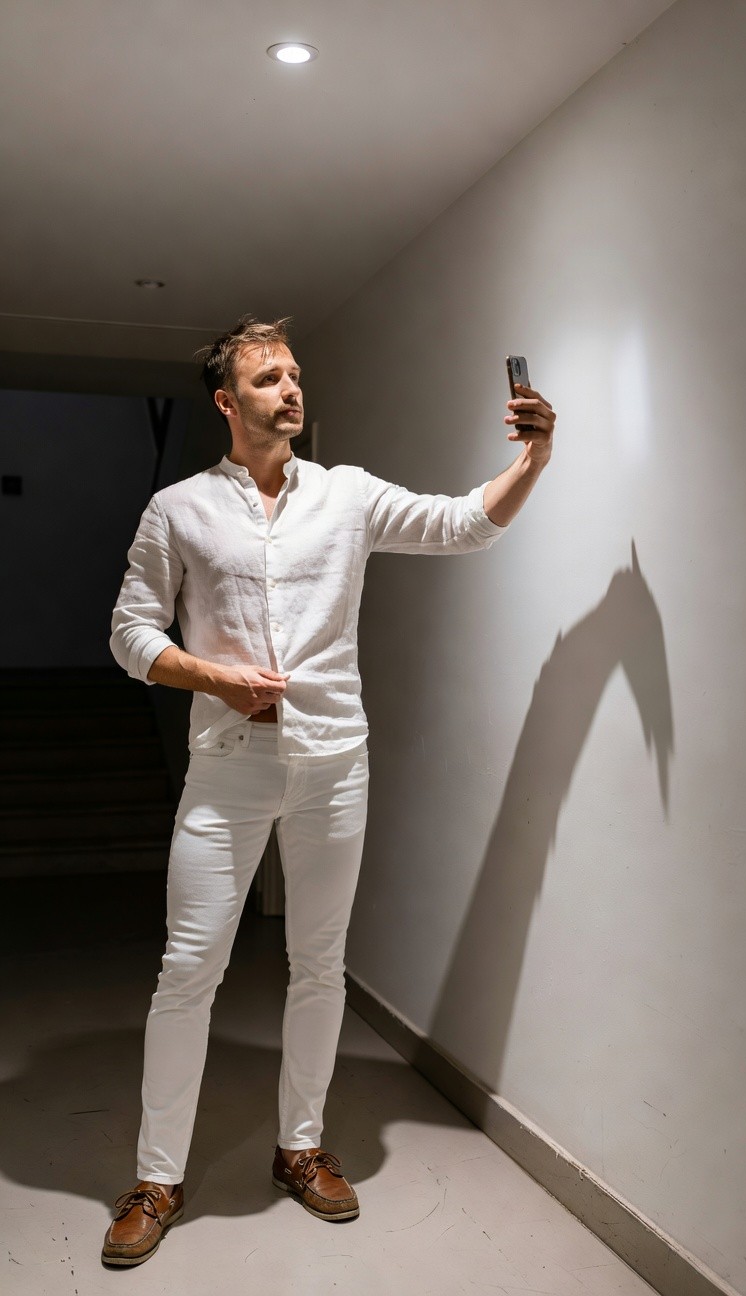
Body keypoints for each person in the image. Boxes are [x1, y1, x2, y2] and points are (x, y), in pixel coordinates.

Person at [102, 316, 556, 1266]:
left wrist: (536, 457)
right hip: (227, 767)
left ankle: (301, 1151)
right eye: (269, 378)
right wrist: (213, 677)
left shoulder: (346, 496)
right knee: (189, 971)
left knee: (320, 965)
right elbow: (131, 634)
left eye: (296, 374)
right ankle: (156, 1176)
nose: (291, 390)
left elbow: (462, 522)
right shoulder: (178, 509)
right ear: (228, 402)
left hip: (334, 763)